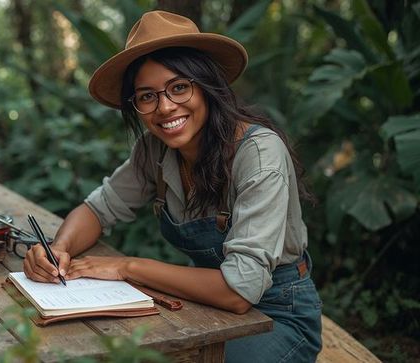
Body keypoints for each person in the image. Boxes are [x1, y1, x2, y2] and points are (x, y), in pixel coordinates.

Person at [23, 10, 322, 362]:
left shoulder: (258, 153)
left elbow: (239, 291)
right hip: (203, 305)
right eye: (147, 96)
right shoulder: (153, 149)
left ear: (208, 87)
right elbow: (98, 208)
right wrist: (59, 249)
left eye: (179, 87)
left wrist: (126, 267)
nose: (164, 107)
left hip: (278, 313)